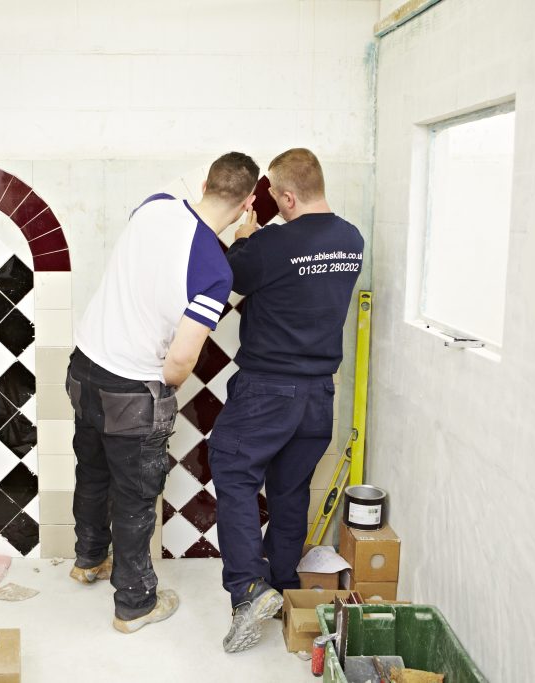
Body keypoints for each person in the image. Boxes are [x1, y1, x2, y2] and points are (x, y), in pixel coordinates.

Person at [66, 152, 260, 634]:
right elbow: (179, 360)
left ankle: (88, 560)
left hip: (83, 366)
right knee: (135, 497)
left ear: (206, 182)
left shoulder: (155, 205)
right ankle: (134, 605)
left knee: (91, 472)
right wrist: (161, 393)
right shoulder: (215, 270)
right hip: (130, 386)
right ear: (248, 202)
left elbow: (162, 250)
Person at [209, 148, 364, 652]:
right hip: (320, 394)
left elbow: (225, 281)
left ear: (289, 195)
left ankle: (248, 590)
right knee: (290, 490)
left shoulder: (270, 244)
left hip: (267, 390)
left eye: (273, 194)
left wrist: (245, 241)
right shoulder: (351, 239)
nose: (271, 202)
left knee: (232, 472)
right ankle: (284, 588)